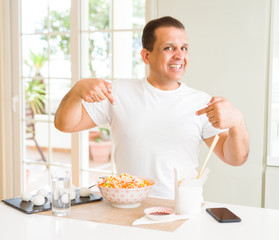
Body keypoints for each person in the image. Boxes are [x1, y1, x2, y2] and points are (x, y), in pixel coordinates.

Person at [54, 16, 249, 199]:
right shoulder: (119, 92)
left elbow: (235, 158)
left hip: (181, 210)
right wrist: (77, 91)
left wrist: (238, 124)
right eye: (169, 48)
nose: (180, 56)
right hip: (128, 206)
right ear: (146, 56)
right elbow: (65, 125)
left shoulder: (201, 103)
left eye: (184, 48)